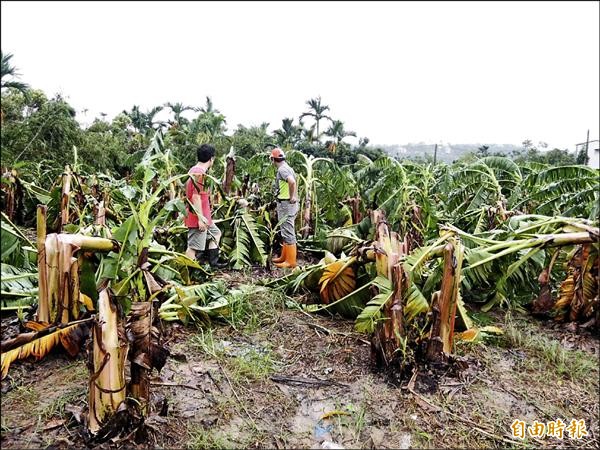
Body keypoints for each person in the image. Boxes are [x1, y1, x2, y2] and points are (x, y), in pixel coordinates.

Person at [184, 144, 227, 269]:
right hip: (198, 217)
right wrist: (200, 218)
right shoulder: (198, 173)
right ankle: (186, 273)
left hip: (204, 217)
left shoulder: (195, 170)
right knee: (193, 248)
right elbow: (195, 197)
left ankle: (213, 263)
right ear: (211, 159)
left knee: (215, 233)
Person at [270, 147, 298, 268]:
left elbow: (292, 182)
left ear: (273, 159)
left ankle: (290, 261)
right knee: (285, 230)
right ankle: (284, 257)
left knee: (288, 230)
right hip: (285, 203)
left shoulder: (282, 169)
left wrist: (292, 196)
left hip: (287, 204)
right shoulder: (287, 167)